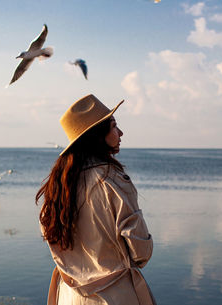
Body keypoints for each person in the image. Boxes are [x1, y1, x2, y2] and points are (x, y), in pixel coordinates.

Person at [36, 94, 156, 305]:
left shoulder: (57, 187)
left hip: (70, 296)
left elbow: (52, 240)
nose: (120, 133)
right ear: (97, 136)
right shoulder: (114, 182)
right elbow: (141, 254)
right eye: (113, 126)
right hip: (116, 296)